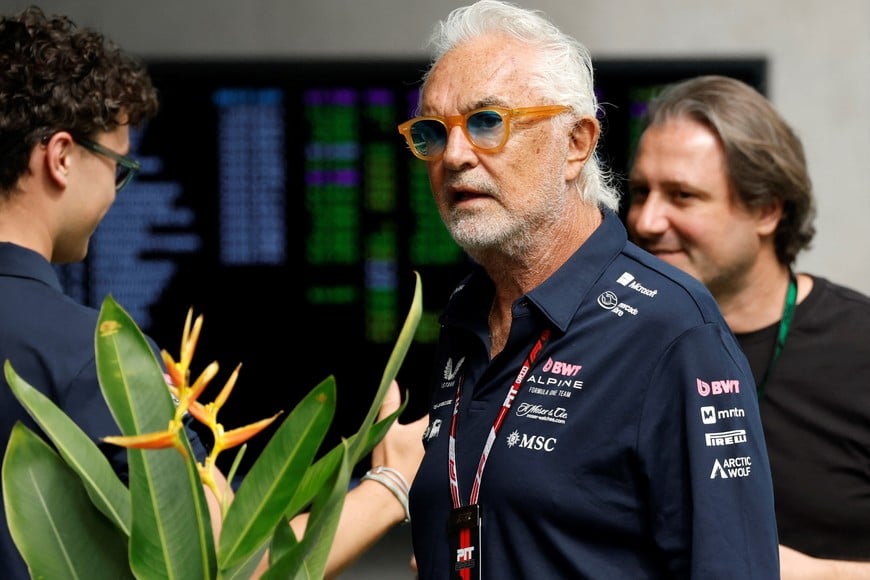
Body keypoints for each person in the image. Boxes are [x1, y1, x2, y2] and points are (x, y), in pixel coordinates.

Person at [0, 6, 426, 579]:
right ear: (60, 158)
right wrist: (391, 485)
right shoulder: (102, 362)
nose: (117, 192)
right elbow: (227, 564)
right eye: (118, 167)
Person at [398, 1, 779, 578]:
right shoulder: (466, 314)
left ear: (576, 143)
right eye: (432, 132)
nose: (453, 156)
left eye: (487, 123)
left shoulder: (673, 329)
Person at [626, 75, 870, 578]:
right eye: (641, 192)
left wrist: (813, 574)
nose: (646, 221)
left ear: (766, 210)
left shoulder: (858, 346)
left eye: (682, 196)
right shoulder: (610, 342)